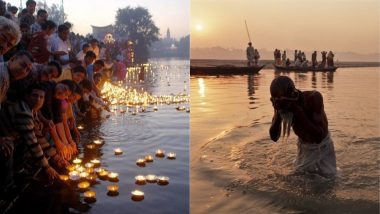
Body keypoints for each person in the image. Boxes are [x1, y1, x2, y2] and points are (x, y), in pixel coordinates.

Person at [269, 76, 336, 176]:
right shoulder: (281, 106)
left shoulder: (313, 98)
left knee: (328, 178)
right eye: (277, 100)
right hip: (303, 148)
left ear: (293, 94)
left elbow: (318, 136)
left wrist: (296, 109)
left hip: (323, 148)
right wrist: (278, 111)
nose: (283, 105)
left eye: (284, 100)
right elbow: (274, 137)